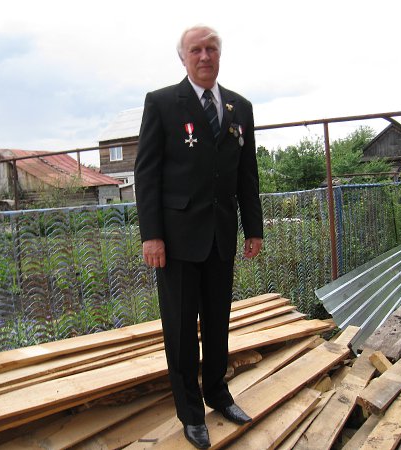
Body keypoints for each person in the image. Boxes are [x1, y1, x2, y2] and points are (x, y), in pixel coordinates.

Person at [134, 24, 263, 449]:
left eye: (211, 49)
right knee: (181, 330)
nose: (204, 56)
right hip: (176, 240)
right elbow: (146, 174)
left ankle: (218, 395)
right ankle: (190, 413)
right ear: (183, 58)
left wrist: (253, 228)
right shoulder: (162, 103)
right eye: (196, 50)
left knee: (218, 322)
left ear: (219, 55)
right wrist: (152, 235)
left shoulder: (240, 107)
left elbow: (247, 173)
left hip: (221, 235)